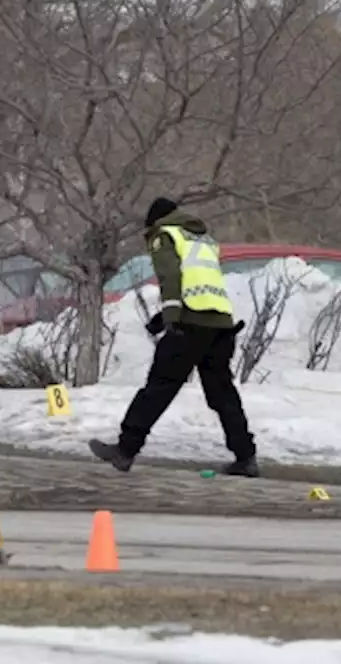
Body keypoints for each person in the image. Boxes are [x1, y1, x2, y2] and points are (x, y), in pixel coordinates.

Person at [88, 197, 259, 477]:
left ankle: (125, 450)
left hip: (189, 325)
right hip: (220, 323)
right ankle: (246, 457)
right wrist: (163, 317)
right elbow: (198, 283)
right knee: (223, 394)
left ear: (155, 221)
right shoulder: (203, 239)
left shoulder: (164, 235)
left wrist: (171, 318)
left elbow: (171, 278)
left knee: (159, 387)